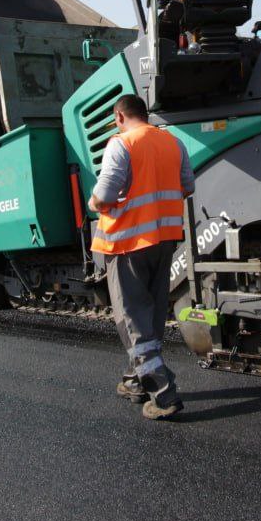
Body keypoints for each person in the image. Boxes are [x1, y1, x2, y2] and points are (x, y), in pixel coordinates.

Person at [88, 94, 196, 419]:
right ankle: (136, 382)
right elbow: (187, 186)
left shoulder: (121, 144)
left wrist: (94, 204)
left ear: (119, 117)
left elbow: (105, 194)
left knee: (132, 319)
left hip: (127, 243)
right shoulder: (173, 143)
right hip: (164, 240)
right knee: (151, 313)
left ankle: (163, 395)